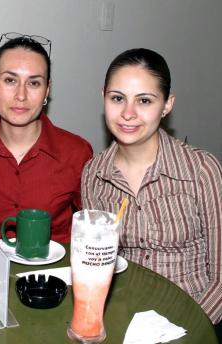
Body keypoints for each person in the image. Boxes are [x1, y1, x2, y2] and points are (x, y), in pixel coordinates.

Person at [81, 48, 222, 333]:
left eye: (144, 100)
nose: (128, 113)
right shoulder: (93, 176)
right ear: (104, 98)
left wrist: (182, 332)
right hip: (126, 321)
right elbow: (97, 269)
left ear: (167, 105)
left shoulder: (202, 170)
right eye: (117, 98)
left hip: (197, 318)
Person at [0, 33, 92, 243]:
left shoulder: (77, 152)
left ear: (47, 91)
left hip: (59, 272)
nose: (21, 95)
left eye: (34, 83)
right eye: (10, 80)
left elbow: (93, 229)